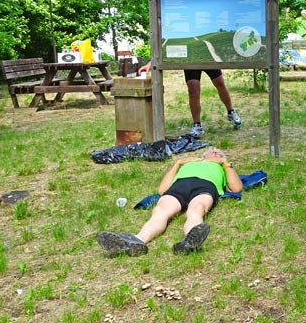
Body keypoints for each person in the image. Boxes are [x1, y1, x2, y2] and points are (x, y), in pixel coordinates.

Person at [97, 148, 243, 256]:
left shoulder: (221, 167)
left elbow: (236, 188)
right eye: (211, 151)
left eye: (219, 153)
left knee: (197, 208)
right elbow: (162, 190)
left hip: (205, 186)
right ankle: (137, 240)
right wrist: (178, 164)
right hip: (179, 186)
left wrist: (225, 163)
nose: (214, 152)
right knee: (160, 210)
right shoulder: (188, 164)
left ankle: (190, 241)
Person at [139, 62, 242, 136]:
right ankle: (197, 125)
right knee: (193, 90)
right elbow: (165, 43)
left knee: (219, 82)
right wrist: (150, 64)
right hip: (190, 60)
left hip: (206, 57)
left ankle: (231, 111)